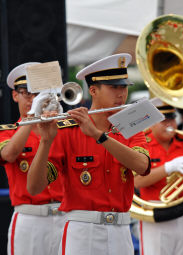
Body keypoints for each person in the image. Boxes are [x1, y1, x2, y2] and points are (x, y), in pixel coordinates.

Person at [26, 53, 151, 255]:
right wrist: (46, 140)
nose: (121, 94)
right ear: (93, 90)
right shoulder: (68, 130)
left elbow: (143, 167)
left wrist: (98, 135)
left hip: (121, 231)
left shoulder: (131, 126)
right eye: (114, 88)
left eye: (123, 87)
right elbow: (34, 187)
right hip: (82, 231)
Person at [0, 62, 66, 255]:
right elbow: (9, 154)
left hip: (65, 215)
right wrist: (31, 116)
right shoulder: (7, 132)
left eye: (38, 94)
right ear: (15, 95)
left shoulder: (62, 129)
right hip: (30, 219)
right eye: (26, 93)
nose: (33, 99)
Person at [134, 98, 183, 255]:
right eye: (163, 120)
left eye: (172, 119)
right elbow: (137, 181)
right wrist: (168, 168)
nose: (170, 124)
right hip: (155, 212)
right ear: (153, 122)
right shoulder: (142, 144)